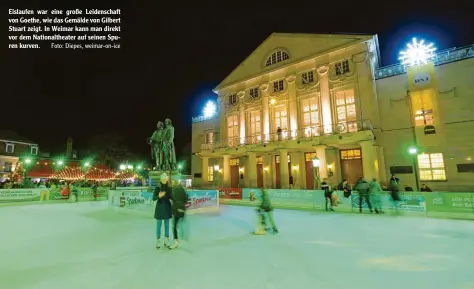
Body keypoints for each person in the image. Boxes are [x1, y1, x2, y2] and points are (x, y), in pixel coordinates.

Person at [153, 173, 172, 249]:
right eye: (163, 179)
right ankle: (158, 240)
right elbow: (153, 198)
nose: (165, 180)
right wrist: (158, 196)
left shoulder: (169, 187)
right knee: (159, 225)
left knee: (167, 225)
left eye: (166, 179)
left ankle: (166, 240)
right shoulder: (158, 187)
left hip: (167, 208)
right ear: (161, 179)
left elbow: (172, 196)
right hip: (160, 208)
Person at [170, 184, 189, 249]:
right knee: (182, 223)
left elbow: (172, 199)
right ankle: (183, 238)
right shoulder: (183, 191)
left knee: (174, 225)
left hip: (176, 209)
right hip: (182, 209)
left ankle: (176, 240)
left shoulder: (174, 190)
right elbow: (186, 199)